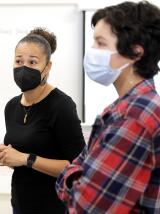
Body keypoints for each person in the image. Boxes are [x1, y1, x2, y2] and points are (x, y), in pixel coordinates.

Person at [56, 1, 160, 213]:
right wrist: (78, 176)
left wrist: (72, 179)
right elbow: (78, 166)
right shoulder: (126, 108)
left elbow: (85, 208)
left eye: (101, 43)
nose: (92, 51)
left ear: (135, 53)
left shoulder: (133, 118)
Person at [0, 28, 85, 214]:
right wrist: (6, 157)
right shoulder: (11, 107)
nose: (23, 67)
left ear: (47, 67)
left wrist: (26, 159)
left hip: (54, 207)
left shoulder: (62, 105)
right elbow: (19, 158)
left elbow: (78, 168)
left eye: (32, 62)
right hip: (20, 204)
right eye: (18, 61)